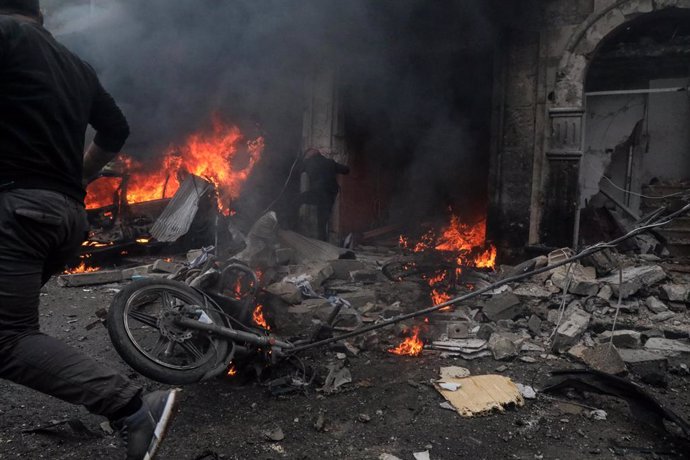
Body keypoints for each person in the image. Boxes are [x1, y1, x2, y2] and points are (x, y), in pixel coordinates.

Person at [0, 1, 178, 459]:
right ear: (39, 14)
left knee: (7, 338)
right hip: (65, 216)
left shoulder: (7, 37)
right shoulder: (76, 65)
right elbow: (115, 129)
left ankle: (133, 408)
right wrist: (78, 177)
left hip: (18, 211)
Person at [300, 148, 350, 241]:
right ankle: (322, 243)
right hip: (329, 195)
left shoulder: (307, 163)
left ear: (308, 156)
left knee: (297, 200)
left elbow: (295, 171)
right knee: (323, 221)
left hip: (316, 193)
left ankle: (287, 223)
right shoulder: (330, 162)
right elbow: (346, 170)